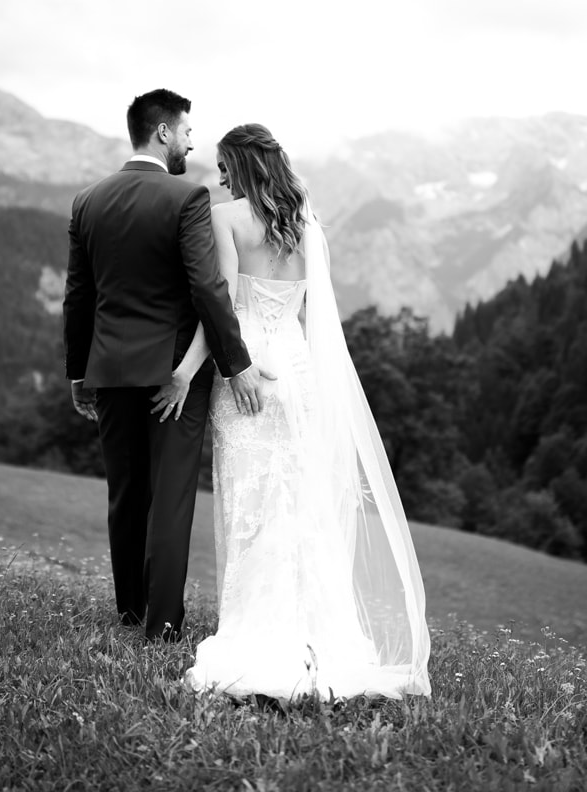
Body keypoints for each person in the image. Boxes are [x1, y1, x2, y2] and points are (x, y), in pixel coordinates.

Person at [157, 123, 431, 700]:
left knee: (252, 503)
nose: (220, 175)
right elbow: (315, 322)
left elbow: (223, 307)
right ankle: (315, 635)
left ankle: (257, 630)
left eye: (226, 165)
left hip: (250, 368)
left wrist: (186, 370)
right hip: (300, 371)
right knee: (301, 500)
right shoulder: (305, 225)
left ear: (242, 165)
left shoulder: (228, 217)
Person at [63, 89, 273, 642]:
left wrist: (78, 374)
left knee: (126, 493)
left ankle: (130, 611)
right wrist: (236, 363)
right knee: (171, 496)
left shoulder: (87, 201)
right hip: (174, 375)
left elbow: (78, 297)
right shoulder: (188, 199)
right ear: (162, 133)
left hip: (108, 369)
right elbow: (207, 288)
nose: (189, 142)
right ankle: (161, 625)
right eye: (185, 132)